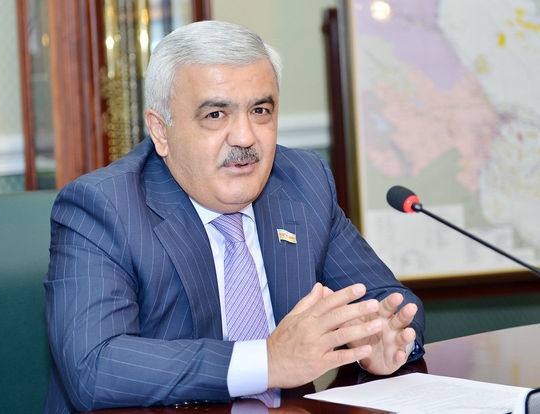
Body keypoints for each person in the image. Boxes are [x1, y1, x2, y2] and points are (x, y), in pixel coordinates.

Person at [44, 20, 425, 413]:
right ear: (161, 131)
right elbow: (94, 367)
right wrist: (267, 362)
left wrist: (383, 338)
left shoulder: (303, 182)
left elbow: (388, 299)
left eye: (260, 111)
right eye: (215, 115)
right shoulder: (103, 207)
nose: (245, 137)